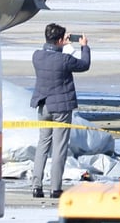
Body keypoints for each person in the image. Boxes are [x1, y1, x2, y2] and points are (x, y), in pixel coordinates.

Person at [30, 22, 91, 199]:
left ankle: (36, 186)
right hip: (61, 107)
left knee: (42, 145)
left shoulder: (37, 56)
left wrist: (60, 45)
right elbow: (84, 64)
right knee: (59, 148)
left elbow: (51, 55)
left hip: (43, 105)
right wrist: (84, 46)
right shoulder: (64, 60)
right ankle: (55, 188)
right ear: (59, 40)